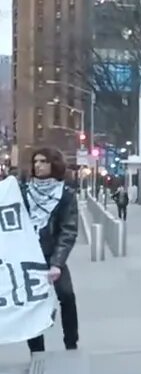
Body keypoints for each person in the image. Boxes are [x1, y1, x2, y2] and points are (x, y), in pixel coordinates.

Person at [23, 147, 79, 353]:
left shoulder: (65, 195)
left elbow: (68, 230)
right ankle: (36, 350)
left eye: (43, 161)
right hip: (28, 257)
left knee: (67, 295)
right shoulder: (23, 191)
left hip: (53, 254)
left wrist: (57, 263)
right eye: (35, 161)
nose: (38, 165)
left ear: (53, 164)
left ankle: (71, 343)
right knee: (32, 303)